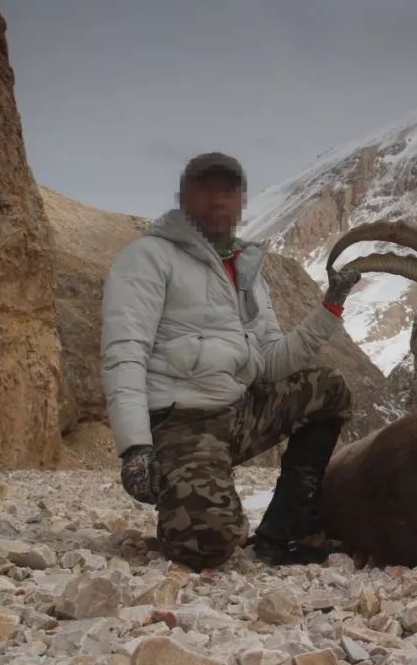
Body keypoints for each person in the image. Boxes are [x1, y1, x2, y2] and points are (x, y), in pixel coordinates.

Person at [100, 152, 361, 569]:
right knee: (209, 546)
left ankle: (288, 528)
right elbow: (124, 353)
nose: (218, 201)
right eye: (205, 190)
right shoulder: (148, 258)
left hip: (239, 413)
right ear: (183, 198)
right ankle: (187, 498)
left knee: (328, 389)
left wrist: (329, 308)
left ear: (241, 202)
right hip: (181, 423)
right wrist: (135, 447)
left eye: (228, 192)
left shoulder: (247, 272)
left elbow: (274, 363)